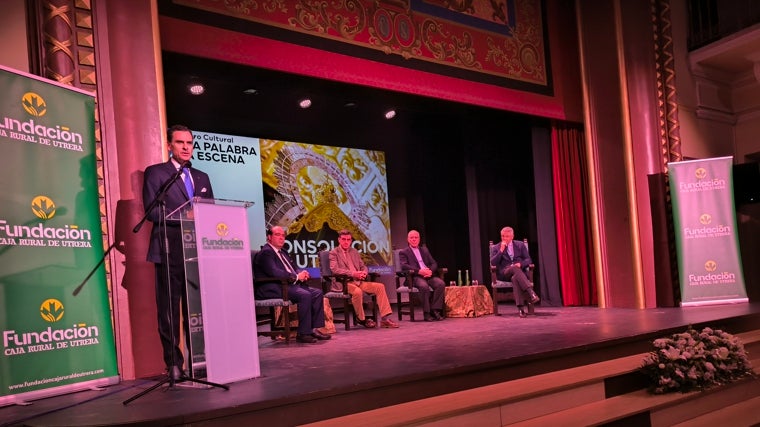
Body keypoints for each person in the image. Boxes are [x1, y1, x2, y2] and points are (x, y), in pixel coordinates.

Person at [143, 124, 214, 381]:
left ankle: (200, 361)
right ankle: (173, 363)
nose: (186, 147)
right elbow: (151, 212)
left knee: (197, 309)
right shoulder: (157, 173)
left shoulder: (203, 177)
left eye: (190, 143)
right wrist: (187, 214)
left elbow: (211, 211)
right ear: (170, 145)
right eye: (181, 143)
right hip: (168, 247)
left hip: (196, 251)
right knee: (169, 310)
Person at [253, 226, 330, 343]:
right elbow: (275, 272)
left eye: (283, 235)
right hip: (270, 287)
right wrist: (296, 277)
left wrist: (301, 273)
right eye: (277, 235)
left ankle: (313, 328)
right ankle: (303, 333)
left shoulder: (283, 252)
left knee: (317, 293)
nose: (281, 238)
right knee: (304, 295)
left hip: (285, 285)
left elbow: (293, 268)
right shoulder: (266, 252)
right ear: (269, 237)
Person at [328, 229, 399, 329]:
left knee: (380, 287)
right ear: (339, 240)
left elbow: (363, 266)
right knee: (357, 292)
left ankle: (384, 319)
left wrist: (364, 273)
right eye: (343, 239)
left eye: (348, 239)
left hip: (358, 281)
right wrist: (353, 274)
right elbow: (335, 270)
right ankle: (361, 319)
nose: (346, 242)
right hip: (343, 283)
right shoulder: (334, 253)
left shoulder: (354, 252)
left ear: (351, 241)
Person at [490, 226, 539, 318]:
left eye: (507, 236)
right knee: (513, 268)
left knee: (515, 278)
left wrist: (520, 264)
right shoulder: (496, 247)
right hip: (505, 273)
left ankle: (521, 310)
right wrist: (500, 251)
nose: (504, 238)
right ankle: (531, 292)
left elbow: (528, 260)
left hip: (518, 273)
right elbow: (493, 263)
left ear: (512, 236)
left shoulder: (520, 245)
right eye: (502, 236)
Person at [398, 230, 446, 321]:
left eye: (416, 237)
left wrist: (430, 271)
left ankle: (434, 309)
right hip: (414, 277)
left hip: (428, 275)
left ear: (419, 239)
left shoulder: (424, 250)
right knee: (424, 286)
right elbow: (404, 266)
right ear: (408, 239)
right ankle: (427, 313)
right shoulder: (404, 252)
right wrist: (419, 271)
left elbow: (434, 263)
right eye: (411, 238)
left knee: (440, 284)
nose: (414, 239)